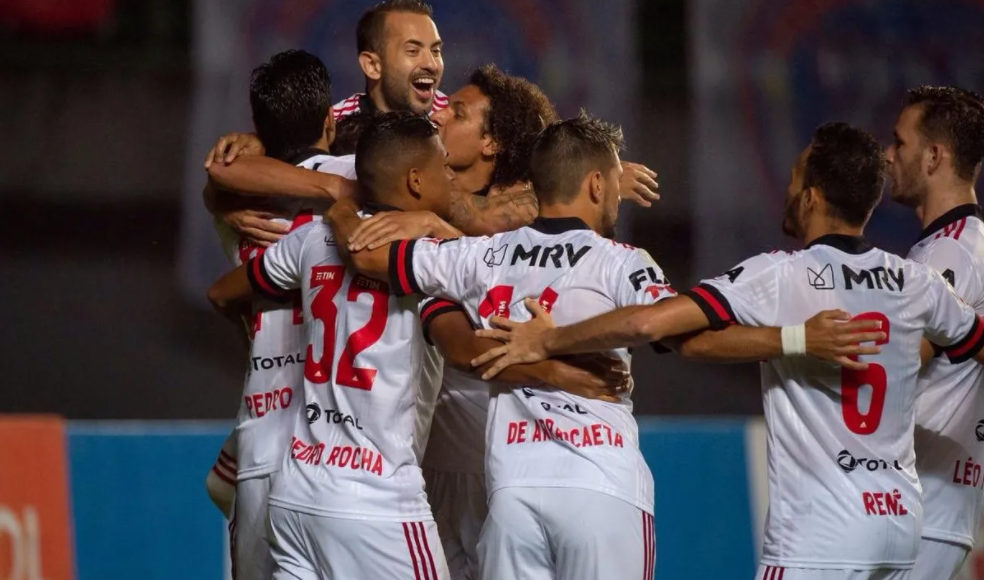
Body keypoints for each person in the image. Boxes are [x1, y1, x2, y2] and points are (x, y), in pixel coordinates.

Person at [326, 113, 879, 580]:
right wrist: (794, 339)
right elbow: (685, 337)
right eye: (614, 180)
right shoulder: (622, 263)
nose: (617, 191)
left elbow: (366, 255)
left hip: (513, 491)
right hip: (601, 486)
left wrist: (343, 203)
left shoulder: (482, 256)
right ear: (595, 185)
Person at [469, 122, 984, 580]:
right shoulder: (917, 281)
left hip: (820, 530)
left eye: (793, 179)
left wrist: (547, 340)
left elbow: (652, 321)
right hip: (899, 522)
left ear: (811, 197)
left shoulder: (781, 273)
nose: (786, 189)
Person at [207, 111, 619, 580]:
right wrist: (560, 373)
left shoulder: (310, 239)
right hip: (377, 499)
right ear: (417, 182)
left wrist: (253, 330)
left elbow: (223, 292)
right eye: (445, 168)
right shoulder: (427, 264)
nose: (452, 179)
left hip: (297, 496)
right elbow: (466, 351)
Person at [346, 63, 559, 580]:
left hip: (489, 448)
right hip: (413, 460)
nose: (440, 114)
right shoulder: (405, 202)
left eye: (458, 112)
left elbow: (490, 234)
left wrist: (435, 227)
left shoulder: (527, 214)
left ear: (492, 144)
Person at [199, 50, 357, 580]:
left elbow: (217, 181)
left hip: (261, 443)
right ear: (330, 121)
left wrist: (223, 195)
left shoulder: (241, 208)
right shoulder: (361, 184)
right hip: (338, 445)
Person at [887, 85, 984, 580]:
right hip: (934, 511)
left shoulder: (952, 254)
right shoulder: (953, 247)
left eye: (899, 143)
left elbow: (900, 359)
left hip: (921, 511)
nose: (888, 156)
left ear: (933, 156)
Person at [332, 0, 448, 119]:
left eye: (435, 51)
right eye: (413, 51)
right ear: (372, 65)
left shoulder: (452, 120)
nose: (431, 65)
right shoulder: (333, 129)